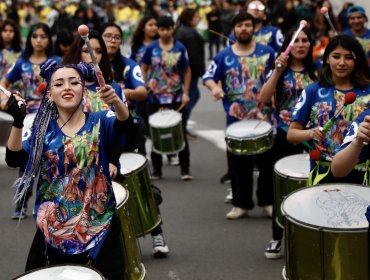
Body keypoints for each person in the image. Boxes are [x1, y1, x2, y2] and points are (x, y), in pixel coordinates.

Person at [1, 59, 132, 280]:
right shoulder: (42, 130)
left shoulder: (102, 120)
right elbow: (15, 159)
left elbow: (126, 128)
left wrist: (118, 102)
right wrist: (17, 120)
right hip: (52, 234)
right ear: (50, 94)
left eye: (74, 82)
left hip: (100, 230)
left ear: (84, 89)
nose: (67, 87)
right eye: (59, 84)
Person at [100, 22, 170, 257]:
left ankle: (156, 232)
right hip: (101, 136)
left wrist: (120, 93)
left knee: (139, 184)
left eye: (116, 37)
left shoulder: (129, 66)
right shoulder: (91, 70)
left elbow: (141, 92)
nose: (112, 40)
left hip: (130, 132)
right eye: (107, 36)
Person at [203, 12, 275, 219]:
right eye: (239, 26)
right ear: (233, 30)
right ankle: (240, 203)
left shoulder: (267, 52)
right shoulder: (223, 56)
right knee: (237, 164)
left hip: (264, 118)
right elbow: (208, 76)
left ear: (254, 28)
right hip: (236, 121)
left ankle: (267, 201)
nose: (244, 29)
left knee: (265, 164)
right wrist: (215, 88)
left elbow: (277, 78)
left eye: (247, 25)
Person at [259, 25, 317, 259]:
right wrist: (276, 71)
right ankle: (277, 237)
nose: (301, 44)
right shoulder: (278, 70)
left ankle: (310, 236)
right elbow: (263, 98)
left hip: (314, 137)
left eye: (306, 40)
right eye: (298, 41)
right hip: (283, 134)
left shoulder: (320, 71)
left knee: (312, 188)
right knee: (282, 189)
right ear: (288, 47)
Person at [287, 34, 370, 186]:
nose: (342, 63)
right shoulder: (312, 91)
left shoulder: (368, 92)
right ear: (326, 59)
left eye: (349, 57)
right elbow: (291, 134)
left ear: (357, 60)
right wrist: (311, 132)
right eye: (336, 56)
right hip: (322, 173)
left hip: (362, 174)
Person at [1, 22, 60, 219]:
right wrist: (9, 98)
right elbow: (4, 83)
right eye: (35, 36)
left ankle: (56, 205)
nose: (39, 40)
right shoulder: (22, 62)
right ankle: (21, 200)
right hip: (27, 118)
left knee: (53, 161)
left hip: (53, 117)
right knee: (25, 160)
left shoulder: (56, 62)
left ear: (49, 39)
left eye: (43, 36)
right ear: (30, 39)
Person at [141, 15, 192, 181]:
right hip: (154, 98)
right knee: (156, 133)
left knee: (180, 132)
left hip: (176, 97)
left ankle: (185, 169)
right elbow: (144, 67)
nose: (164, 32)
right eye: (161, 29)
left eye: (167, 29)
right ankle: (157, 169)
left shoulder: (180, 48)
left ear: (173, 29)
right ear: (158, 30)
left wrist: (185, 92)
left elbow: (187, 71)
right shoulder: (152, 48)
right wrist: (144, 84)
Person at [174, 7, 205, 139]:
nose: (198, 18)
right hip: (189, 71)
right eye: (196, 16)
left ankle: (181, 126)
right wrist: (203, 72)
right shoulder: (190, 33)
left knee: (191, 96)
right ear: (190, 19)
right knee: (189, 98)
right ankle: (181, 126)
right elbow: (194, 56)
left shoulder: (179, 30)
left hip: (180, 70)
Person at [0, 19, 22, 84]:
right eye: (5, 30)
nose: (8, 33)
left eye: (11, 31)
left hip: (15, 90)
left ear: (15, 33)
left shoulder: (21, 52)